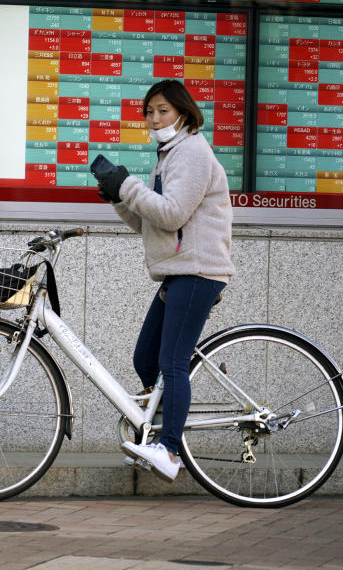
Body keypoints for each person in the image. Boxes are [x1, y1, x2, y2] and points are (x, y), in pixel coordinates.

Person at [93, 79, 235, 482]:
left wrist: (129, 186)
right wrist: (119, 197)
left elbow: (171, 214)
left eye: (163, 111)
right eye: (149, 112)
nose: (155, 119)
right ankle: (156, 431)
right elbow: (149, 222)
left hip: (198, 270)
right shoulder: (168, 155)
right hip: (178, 270)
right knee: (146, 359)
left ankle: (170, 451)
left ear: (184, 113)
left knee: (173, 363)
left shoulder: (192, 152)